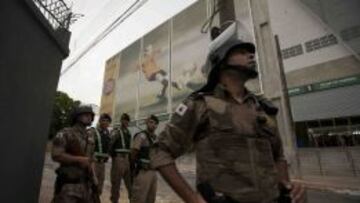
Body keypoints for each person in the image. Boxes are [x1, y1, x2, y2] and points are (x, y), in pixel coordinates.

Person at [150, 35, 305, 202]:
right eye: (242, 52)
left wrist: (286, 186)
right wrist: (193, 199)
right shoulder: (201, 105)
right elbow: (160, 151)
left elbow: (278, 156)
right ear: (221, 60)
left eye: (251, 53)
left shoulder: (262, 108)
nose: (251, 56)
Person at [51, 105, 99, 203]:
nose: (89, 116)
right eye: (85, 114)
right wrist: (79, 160)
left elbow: (91, 159)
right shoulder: (66, 133)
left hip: (86, 185)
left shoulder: (90, 136)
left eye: (91, 115)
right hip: (69, 185)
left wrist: (94, 177)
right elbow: (56, 155)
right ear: (77, 116)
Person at [130, 115, 159, 203]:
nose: (153, 125)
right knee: (139, 198)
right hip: (143, 171)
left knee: (151, 198)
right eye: (151, 122)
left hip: (153, 172)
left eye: (155, 123)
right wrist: (134, 168)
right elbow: (134, 153)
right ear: (147, 123)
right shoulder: (141, 136)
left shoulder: (156, 138)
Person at [109, 113, 132, 203]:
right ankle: (114, 201)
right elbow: (110, 144)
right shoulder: (116, 131)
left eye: (127, 120)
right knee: (116, 184)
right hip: (118, 159)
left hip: (126, 159)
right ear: (121, 121)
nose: (125, 122)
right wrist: (113, 157)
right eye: (124, 120)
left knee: (130, 184)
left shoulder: (128, 133)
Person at [87, 113, 112, 195]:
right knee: (91, 186)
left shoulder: (107, 133)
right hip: (94, 163)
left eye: (107, 121)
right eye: (103, 120)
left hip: (102, 164)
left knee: (99, 188)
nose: (105, 123)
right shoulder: (93, 131)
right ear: (100, 121)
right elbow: (88, 150)